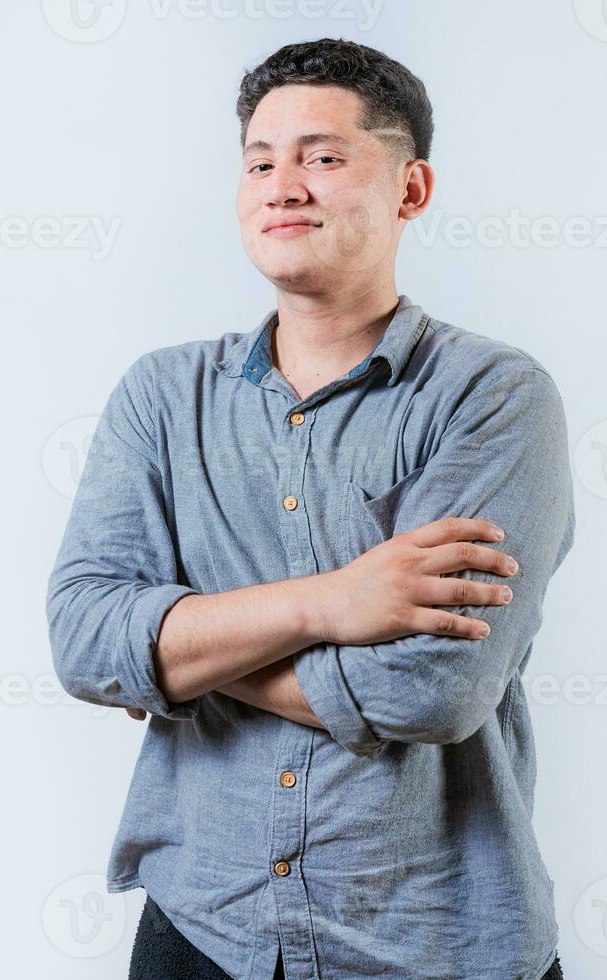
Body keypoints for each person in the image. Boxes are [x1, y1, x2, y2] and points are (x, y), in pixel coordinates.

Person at [48, 37, 575, 980]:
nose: (281, 185)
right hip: (204, 931)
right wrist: (331, 604)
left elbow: (434, 690)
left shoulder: (491, 397)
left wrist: (180, 658)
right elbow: (86, 640)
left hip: (434, 940)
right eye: (260, 160)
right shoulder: (163, 399)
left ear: (410, 189)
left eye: (322, 157)